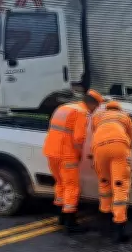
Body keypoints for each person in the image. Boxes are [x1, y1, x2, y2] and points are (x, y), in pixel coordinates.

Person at [42, 89, 104, 234]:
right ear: (92, 104)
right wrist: (79, 155)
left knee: (60, 183)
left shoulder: (63, 108)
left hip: (52, 152)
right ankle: (70, 223)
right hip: (66, 154)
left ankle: (61, 217)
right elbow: (78, 139)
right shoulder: (81, 113)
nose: (95, 110)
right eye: (96, 106)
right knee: (72, 187)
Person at [91, 100, 132, 243]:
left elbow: (94, 131)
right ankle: (118, 228)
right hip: (118, 147)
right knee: (119, 186)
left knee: (104, 184)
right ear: (118, 108)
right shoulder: (124, 116)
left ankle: (104, 223)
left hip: (98, 148)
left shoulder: (98, 116)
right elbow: (131, 137)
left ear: (107, 108)